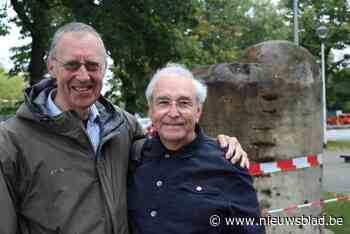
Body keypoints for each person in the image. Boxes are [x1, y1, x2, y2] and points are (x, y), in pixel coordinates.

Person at [0, 23, 248, 234]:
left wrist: (217, 147)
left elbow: (170, 150)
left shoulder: (123, 126)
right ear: (51, 66)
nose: (84, 76)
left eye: (93, 66)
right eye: (73, 65)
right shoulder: (11, 141)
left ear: (105, 69)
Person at [128, 63, 265, 234]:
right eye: (163, 102)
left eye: (184, 103)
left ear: (198, 111)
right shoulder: (132, 158)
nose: (173, 113)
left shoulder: (228, 162)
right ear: (151, 111)